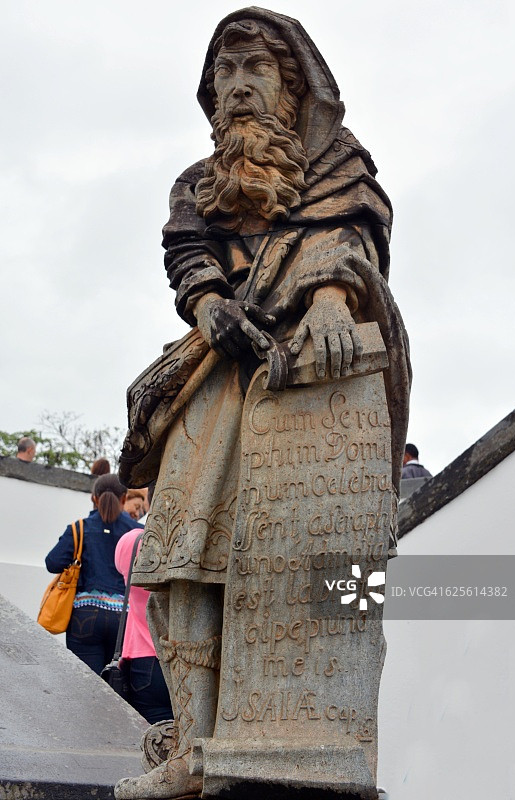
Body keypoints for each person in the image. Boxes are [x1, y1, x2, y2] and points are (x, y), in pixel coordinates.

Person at [116, 9, 411, 799]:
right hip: (216, 382)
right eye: (225, 72)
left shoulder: (341, 164)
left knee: (326, 568)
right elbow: (187, 254)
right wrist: (209, 300)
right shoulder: (197, 183)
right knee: (180, 562)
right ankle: (191, 748)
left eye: (256, 70)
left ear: (291, 85)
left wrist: (326, 295)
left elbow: (356, 238)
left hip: (310, 387)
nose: (238, 87)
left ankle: (314, 736)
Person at [45, 474, 139, 675]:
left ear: (94, 498)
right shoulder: (139, 532)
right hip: (124, 620)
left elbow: (52, 562)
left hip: (85, 617)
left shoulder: (79, 529)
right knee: (117, 687)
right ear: (124, 498)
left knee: (87, 686)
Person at [115, 527, 173, 724]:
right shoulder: (183, 540)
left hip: (145, 660)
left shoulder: (131, 541)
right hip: (187, 660)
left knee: (154, 740)